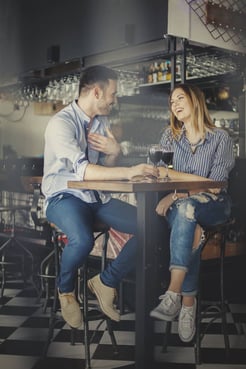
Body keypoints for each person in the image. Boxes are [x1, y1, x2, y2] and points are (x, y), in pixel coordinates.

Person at [41, 65, 158, 328]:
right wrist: (129, 171)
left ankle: (106, 282)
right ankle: (67, 291)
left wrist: (115, 151)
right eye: (113, 94)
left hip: (95, 197)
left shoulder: (101, 122)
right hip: (64, 197)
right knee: (81, 240)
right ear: (97, 91)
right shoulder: (61, 124)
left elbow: (103, 166)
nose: (114, 100)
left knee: (152, 226)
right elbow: (83, 170)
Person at [150, 83, 235, 343]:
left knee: (188, 210)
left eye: (180, 98)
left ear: (195, 101)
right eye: (171, 101)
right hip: (184, 208)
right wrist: (174, 189)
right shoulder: (170, 137)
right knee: (190, 221)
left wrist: (177, 190)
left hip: (215, 205)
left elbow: (215, 184)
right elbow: (159, 175)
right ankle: (187, 303)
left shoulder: (221, 138)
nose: (174, 104)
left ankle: (174, 291)